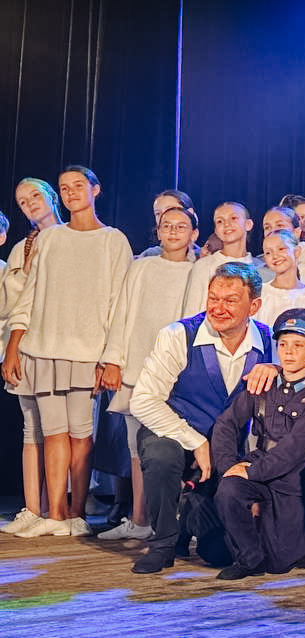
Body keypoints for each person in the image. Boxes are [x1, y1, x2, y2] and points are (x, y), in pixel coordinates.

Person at [2, 166, 133, 539]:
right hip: (44, 349)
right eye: (64, 187)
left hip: (88, 352)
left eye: (78, 186)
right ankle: (56, 515)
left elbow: (120, 305)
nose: (72, 192)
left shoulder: (113, 240)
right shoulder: (50, 238)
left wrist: (111, 358)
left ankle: (77, 514)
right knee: (53, 432)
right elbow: (28, 297)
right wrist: (14, 346)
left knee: (81, 433)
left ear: (95, 190)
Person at [127, 262, 275, 572]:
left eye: (230, 300)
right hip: (174, 432)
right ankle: (163, 543)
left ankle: (188, 517)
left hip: (226, 447)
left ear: (254, 306)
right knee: (161, 454)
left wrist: (276, 369)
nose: (218, 308)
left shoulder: (267, 340)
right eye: (213, 298)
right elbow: (142, 400)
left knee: (220, 554)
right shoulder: (178, 334)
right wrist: (195, 441)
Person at [97, 207, 200, 541]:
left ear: (194, 234)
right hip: (136, 368)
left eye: (181, 226)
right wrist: (113, 361)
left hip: (174, 374)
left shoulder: (196, 272)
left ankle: (172, 523)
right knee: (135, 446)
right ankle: (139, 519)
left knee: (172, 447)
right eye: (167, 225)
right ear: (158, 231)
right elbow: (122, 315)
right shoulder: (141, 267)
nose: (173, 231)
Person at [211, 308, 305, 580]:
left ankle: (269, 546)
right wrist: (229, 466)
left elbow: (294, 449)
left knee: (280, 561)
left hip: (291, 480)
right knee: (229, 489)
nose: (288, 352)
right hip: (259, 462)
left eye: (298, 345)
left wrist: (251, 472)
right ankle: (249, 558)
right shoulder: (263, 384)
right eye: (283, 344)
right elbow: (226, 424)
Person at [0, 178, 63, 536]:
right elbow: (9, 305)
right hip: (26, 342)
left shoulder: (72, 238)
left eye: (35, 196)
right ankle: (33, 509)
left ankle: (62, 508)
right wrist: (23, 268)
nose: (29, 203)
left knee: (65, 428)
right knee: (32, 426)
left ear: (52, 197)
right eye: (22, 201)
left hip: (65, 344)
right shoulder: (22, 247)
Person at [182, 202, 266, 316]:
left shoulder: (259, 269)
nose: (226, 224)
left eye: (233, 218)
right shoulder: (204, 266)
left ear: (248, 224)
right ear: (216, 230)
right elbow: (191, 313)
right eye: (220, 221)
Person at [255, 229, 305, 328]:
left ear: (297, 251)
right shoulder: (260, 294)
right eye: (268, 253)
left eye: (281, 249)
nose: (275, 256)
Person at [138, 190, 197, 259]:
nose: (164, 216)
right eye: (158, 213)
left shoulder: (202, 258)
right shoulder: (149, 256)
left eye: (171, 209)